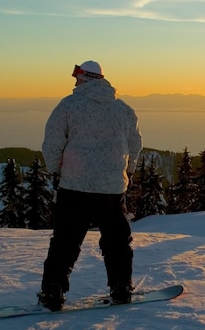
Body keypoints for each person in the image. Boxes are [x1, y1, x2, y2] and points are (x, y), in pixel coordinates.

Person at [38, 61, 143, 311]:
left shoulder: (68, 106)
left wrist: (56, 169)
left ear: (85, 78)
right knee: (116, 240)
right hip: (111, 187)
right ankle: (120, 287)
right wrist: (127, 172)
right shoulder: (123, 109)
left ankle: (53, 291)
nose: (74, 81)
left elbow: (52, 142)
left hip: (75, 186)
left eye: (77, 77)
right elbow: (135, 145)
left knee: (66, 240)